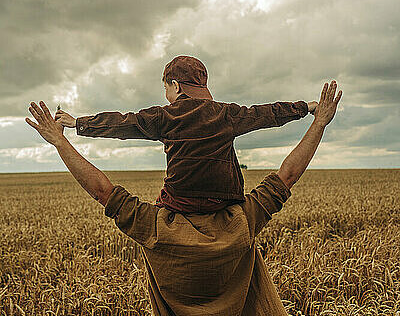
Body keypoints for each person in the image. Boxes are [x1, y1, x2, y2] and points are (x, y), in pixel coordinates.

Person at [26, 80, 342, 316]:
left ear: (175, 86)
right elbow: (286, 176)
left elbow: (103, 190)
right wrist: (317, 121)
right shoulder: (243, 223)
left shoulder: (156, 229)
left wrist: (62, 140)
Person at [54, 55, 318, 214]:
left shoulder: (165, 116)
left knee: (159, 213)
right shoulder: (226, 114)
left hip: (180, 203)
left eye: (166, 88)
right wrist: (305, 108)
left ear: (176, 85)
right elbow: (267, 113)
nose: (166, 95)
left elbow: (124, 123)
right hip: (226, 202)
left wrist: (79, 123)